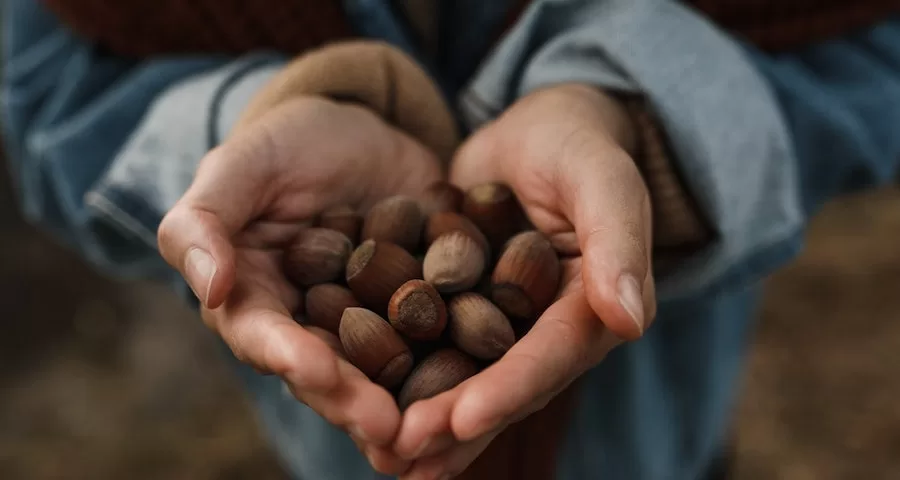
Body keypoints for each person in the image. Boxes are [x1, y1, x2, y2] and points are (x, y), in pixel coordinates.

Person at [3, 0, 899, 479]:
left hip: (658, 428)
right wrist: (238, 136)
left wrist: (650, 132)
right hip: (339, 448)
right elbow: (40, 84)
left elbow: (876, 52)